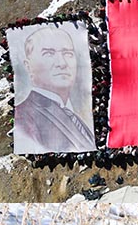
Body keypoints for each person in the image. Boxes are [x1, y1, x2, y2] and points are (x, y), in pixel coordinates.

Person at [14, 26, 96, 155]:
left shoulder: (74, 116)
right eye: (49, 54)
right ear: (28, 66)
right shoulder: (24, 117)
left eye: (68, 54)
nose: (62, 63)